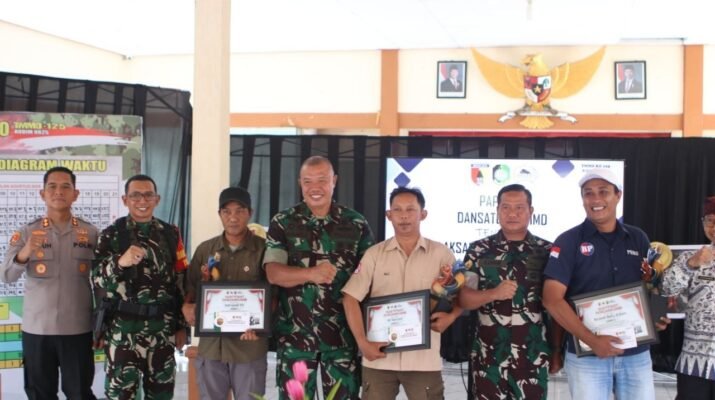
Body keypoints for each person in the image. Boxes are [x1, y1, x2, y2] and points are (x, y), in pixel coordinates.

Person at [263, 155, 375, 400]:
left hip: (342, 340)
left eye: (322, 180)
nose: (315, 187)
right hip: (296, 341)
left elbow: (371, 278)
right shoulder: (283, 222)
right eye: (308, 181)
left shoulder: (356, 223)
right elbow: (273, 273)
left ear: (334, 181)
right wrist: (310, 274)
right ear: (300, 184)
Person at [542, 169, 657, 400]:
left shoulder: (638, 238)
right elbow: (551, 300)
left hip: (636, 353)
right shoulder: (568, 241)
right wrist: (592, 340)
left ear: (618, 195)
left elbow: (650, 287)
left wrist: (656, 316)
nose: (595, 199)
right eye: (588, 193)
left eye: (603, 192)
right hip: (587, 356)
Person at [342, 187, 462, 400]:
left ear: (423, 214)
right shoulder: (374, 254)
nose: (404, 216)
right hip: (379, 358)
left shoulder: (441, 254)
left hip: (423, 361)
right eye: (397, 209)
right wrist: (362, 343)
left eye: (410, 209)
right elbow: (350, 297)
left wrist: (451, 317)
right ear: (389, 215)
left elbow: (462, 293)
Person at [1, 166, 98, 400]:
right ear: (42, 194)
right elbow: (6, 276)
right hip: (38, 330)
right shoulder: (27, 232)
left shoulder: (91, 233)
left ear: (75, 194)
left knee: (80, 393)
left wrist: (101, 324)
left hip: (78, 329)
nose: (58, 192)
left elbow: (102, 281)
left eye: (66, 187)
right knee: (40, 394)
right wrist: (25, 253)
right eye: (52, 186)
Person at [459, 184, 563, 400]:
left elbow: (558, 307)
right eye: (506, 207)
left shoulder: (547, 251)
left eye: (519, 207)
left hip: (532, 357)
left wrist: (556, 351)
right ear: (497, 210)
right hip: (489, 359)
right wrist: (492, 294)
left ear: (531, 211)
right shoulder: (478, 250)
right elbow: (464, 299)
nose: (512, 213)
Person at [92, 174, 188, 399]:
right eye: (135, 195)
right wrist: (120, 263)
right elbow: (96, 279)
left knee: (161, 395)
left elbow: (180, 280)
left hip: (162, 330)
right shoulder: (111, 234)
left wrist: (182, 326)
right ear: (125, 200)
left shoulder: (171, 233)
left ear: (157, 199)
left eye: (148, 195)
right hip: (123, 331)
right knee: (121, 394)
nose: (142, 200)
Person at [182, 187, 268, 400]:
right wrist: (187, 306)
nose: (233, 217)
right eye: (226, 211)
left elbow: (274, 296)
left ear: (250, 213)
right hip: (212, 348)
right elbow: (191, 288)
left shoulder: (264, 250)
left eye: (239, 211)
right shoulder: (206, 249)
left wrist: (261, 326)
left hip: (249, 348)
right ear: (219, 214)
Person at [660, 196, 715, 399]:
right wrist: (691, 264)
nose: (714, 226)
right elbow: (666, 290)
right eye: (710, 220)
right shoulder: (690, 257)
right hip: (695, 363)